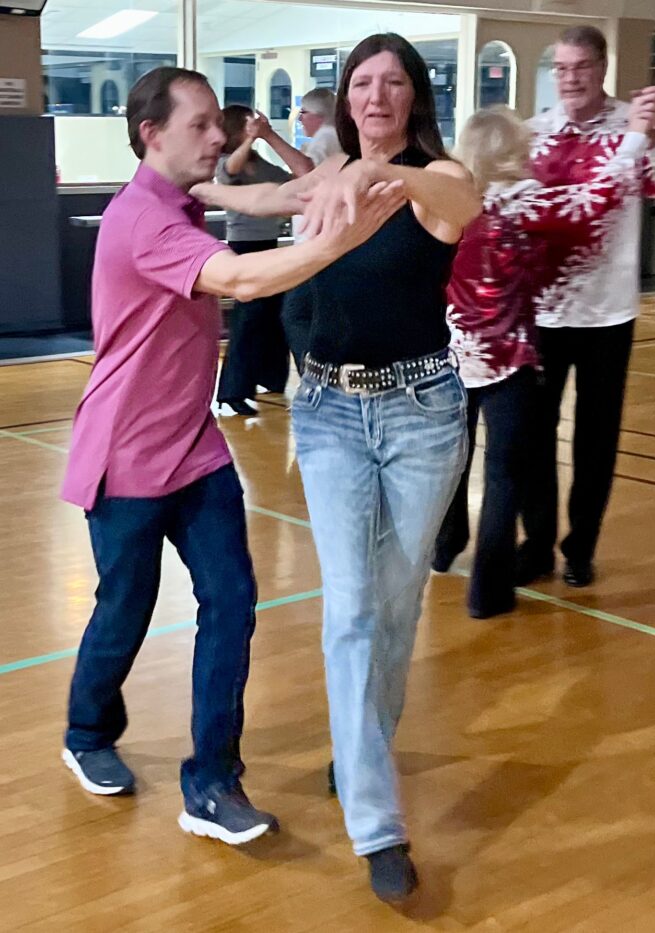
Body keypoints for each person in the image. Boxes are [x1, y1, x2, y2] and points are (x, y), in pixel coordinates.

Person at [60, 66, 405, 848]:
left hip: (194, 446)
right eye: (202, 124)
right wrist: (341, 239)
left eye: (220, 121)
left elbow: (272, 197)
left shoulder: (185, 195)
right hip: (126, 452)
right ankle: (87, 731)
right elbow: (243, 278)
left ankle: (212, 782)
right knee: (126, 607)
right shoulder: (142, 220)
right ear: (152, 135)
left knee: (232, 600)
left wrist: (362, 175)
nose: (220, 136)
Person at [195, 32, 481, 902]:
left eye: (393, 82)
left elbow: (461, 201)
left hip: (422, 412)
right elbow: (267, 193)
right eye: (362, 82)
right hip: (326, 412)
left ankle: (362, 748)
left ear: (414, 95)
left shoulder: (436, 177)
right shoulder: (327, 172)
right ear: (347, 96)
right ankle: (377, 822)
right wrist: (195, 183)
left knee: (396, 606)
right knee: (352, 609)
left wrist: (379, 176)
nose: (376, 95)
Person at [435, 107, 651, 618]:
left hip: (453, 359)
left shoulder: (449, 205)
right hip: (509, 361)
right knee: (503, 477)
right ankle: (487, 593)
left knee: (451, 464)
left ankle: (443, 548)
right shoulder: (521, 203)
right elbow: (595, 200)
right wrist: (636, 139)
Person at [516, 25, 655, 589]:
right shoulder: (534, 134)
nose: (571, 79)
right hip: (542, 312)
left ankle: (581, 549)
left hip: (608, 315)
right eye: (562, 68)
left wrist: (654, 138)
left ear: (602, 67)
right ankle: (537, 545)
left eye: (582, 67)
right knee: (533, 436)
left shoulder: (632, 128)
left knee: (596, 440)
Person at [214, 105, 311, 417]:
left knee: (274, 316)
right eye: (246, 125)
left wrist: (269, 138)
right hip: (244, 246)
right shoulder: (225, 162)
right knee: (248, 318)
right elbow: (231, 169)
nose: (252, 128)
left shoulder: (260, 163)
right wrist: (250, 140)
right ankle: (232, 391)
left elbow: (295, 177)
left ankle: (271, 378)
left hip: (267, 244)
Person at [283, 88, 344, 371]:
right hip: (327, 243)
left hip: (315, 246)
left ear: (317, 116)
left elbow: (307, 175)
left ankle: (315, 375)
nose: (300, 120)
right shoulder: (338, 140)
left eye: (303, 114)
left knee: (295, 314)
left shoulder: (324, 141)